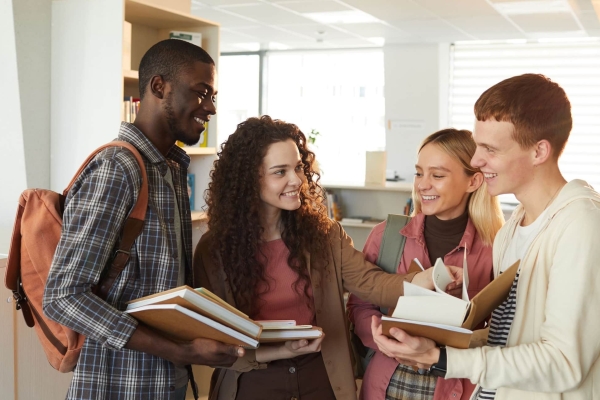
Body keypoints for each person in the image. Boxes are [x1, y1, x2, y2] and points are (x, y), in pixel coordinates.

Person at [193, 115, 462, 400]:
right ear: (248, 179)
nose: (296, 179)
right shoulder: (215, 250)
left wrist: (425, 279)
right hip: (252, 383)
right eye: (280, 172)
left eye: (298, 167)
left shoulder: (323, 235)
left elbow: (371, 283)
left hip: (320, 378)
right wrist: (282, 351)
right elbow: (215, 341)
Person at [370, 73, 600, 400]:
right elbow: (507, 340)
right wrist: (432, 347)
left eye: (490, 149)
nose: (477, 161)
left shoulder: (582, 225)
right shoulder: (512, 229)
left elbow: (563, 361)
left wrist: (443, 358)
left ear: (539, 152)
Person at [43, 39, 244, 400]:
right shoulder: (117, 170)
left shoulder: (171, 169)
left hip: (165, 385)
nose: (210, 107)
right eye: (201, 93)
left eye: (213, 97)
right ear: (158, 87)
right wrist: (180, 351)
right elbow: (63, 296)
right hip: (116, 387)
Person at [347, 128, 504, 400]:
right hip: (385, 384)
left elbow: (502, 330)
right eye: (419, 173)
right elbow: (360, 306)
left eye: (437, 175)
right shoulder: (386, 235)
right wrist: (389, 343)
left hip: (456, 386)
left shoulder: (497, 247)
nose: (422, 184)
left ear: (474, 181)